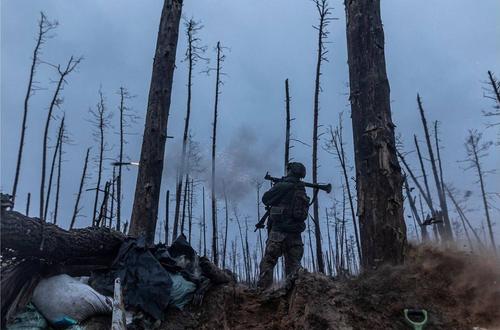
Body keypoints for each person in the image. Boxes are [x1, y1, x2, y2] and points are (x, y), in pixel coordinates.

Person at [257, 162, 310, 290]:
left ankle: (262, 293)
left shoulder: (282, 186)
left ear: (290, 171)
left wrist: (276, 187)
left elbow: (266, 199)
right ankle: (295, 292)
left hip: (278, 232)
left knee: (269, 260)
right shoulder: (301, 189)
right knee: (294, 265)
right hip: (295, 234)